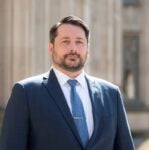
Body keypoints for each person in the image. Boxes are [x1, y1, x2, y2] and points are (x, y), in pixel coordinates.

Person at [0, 15, 135, 150]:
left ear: (87, 48)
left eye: (79, 42)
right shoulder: (25, 92)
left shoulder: (111, 94)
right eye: (65, 41)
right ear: (51, 47)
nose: (73, 49)